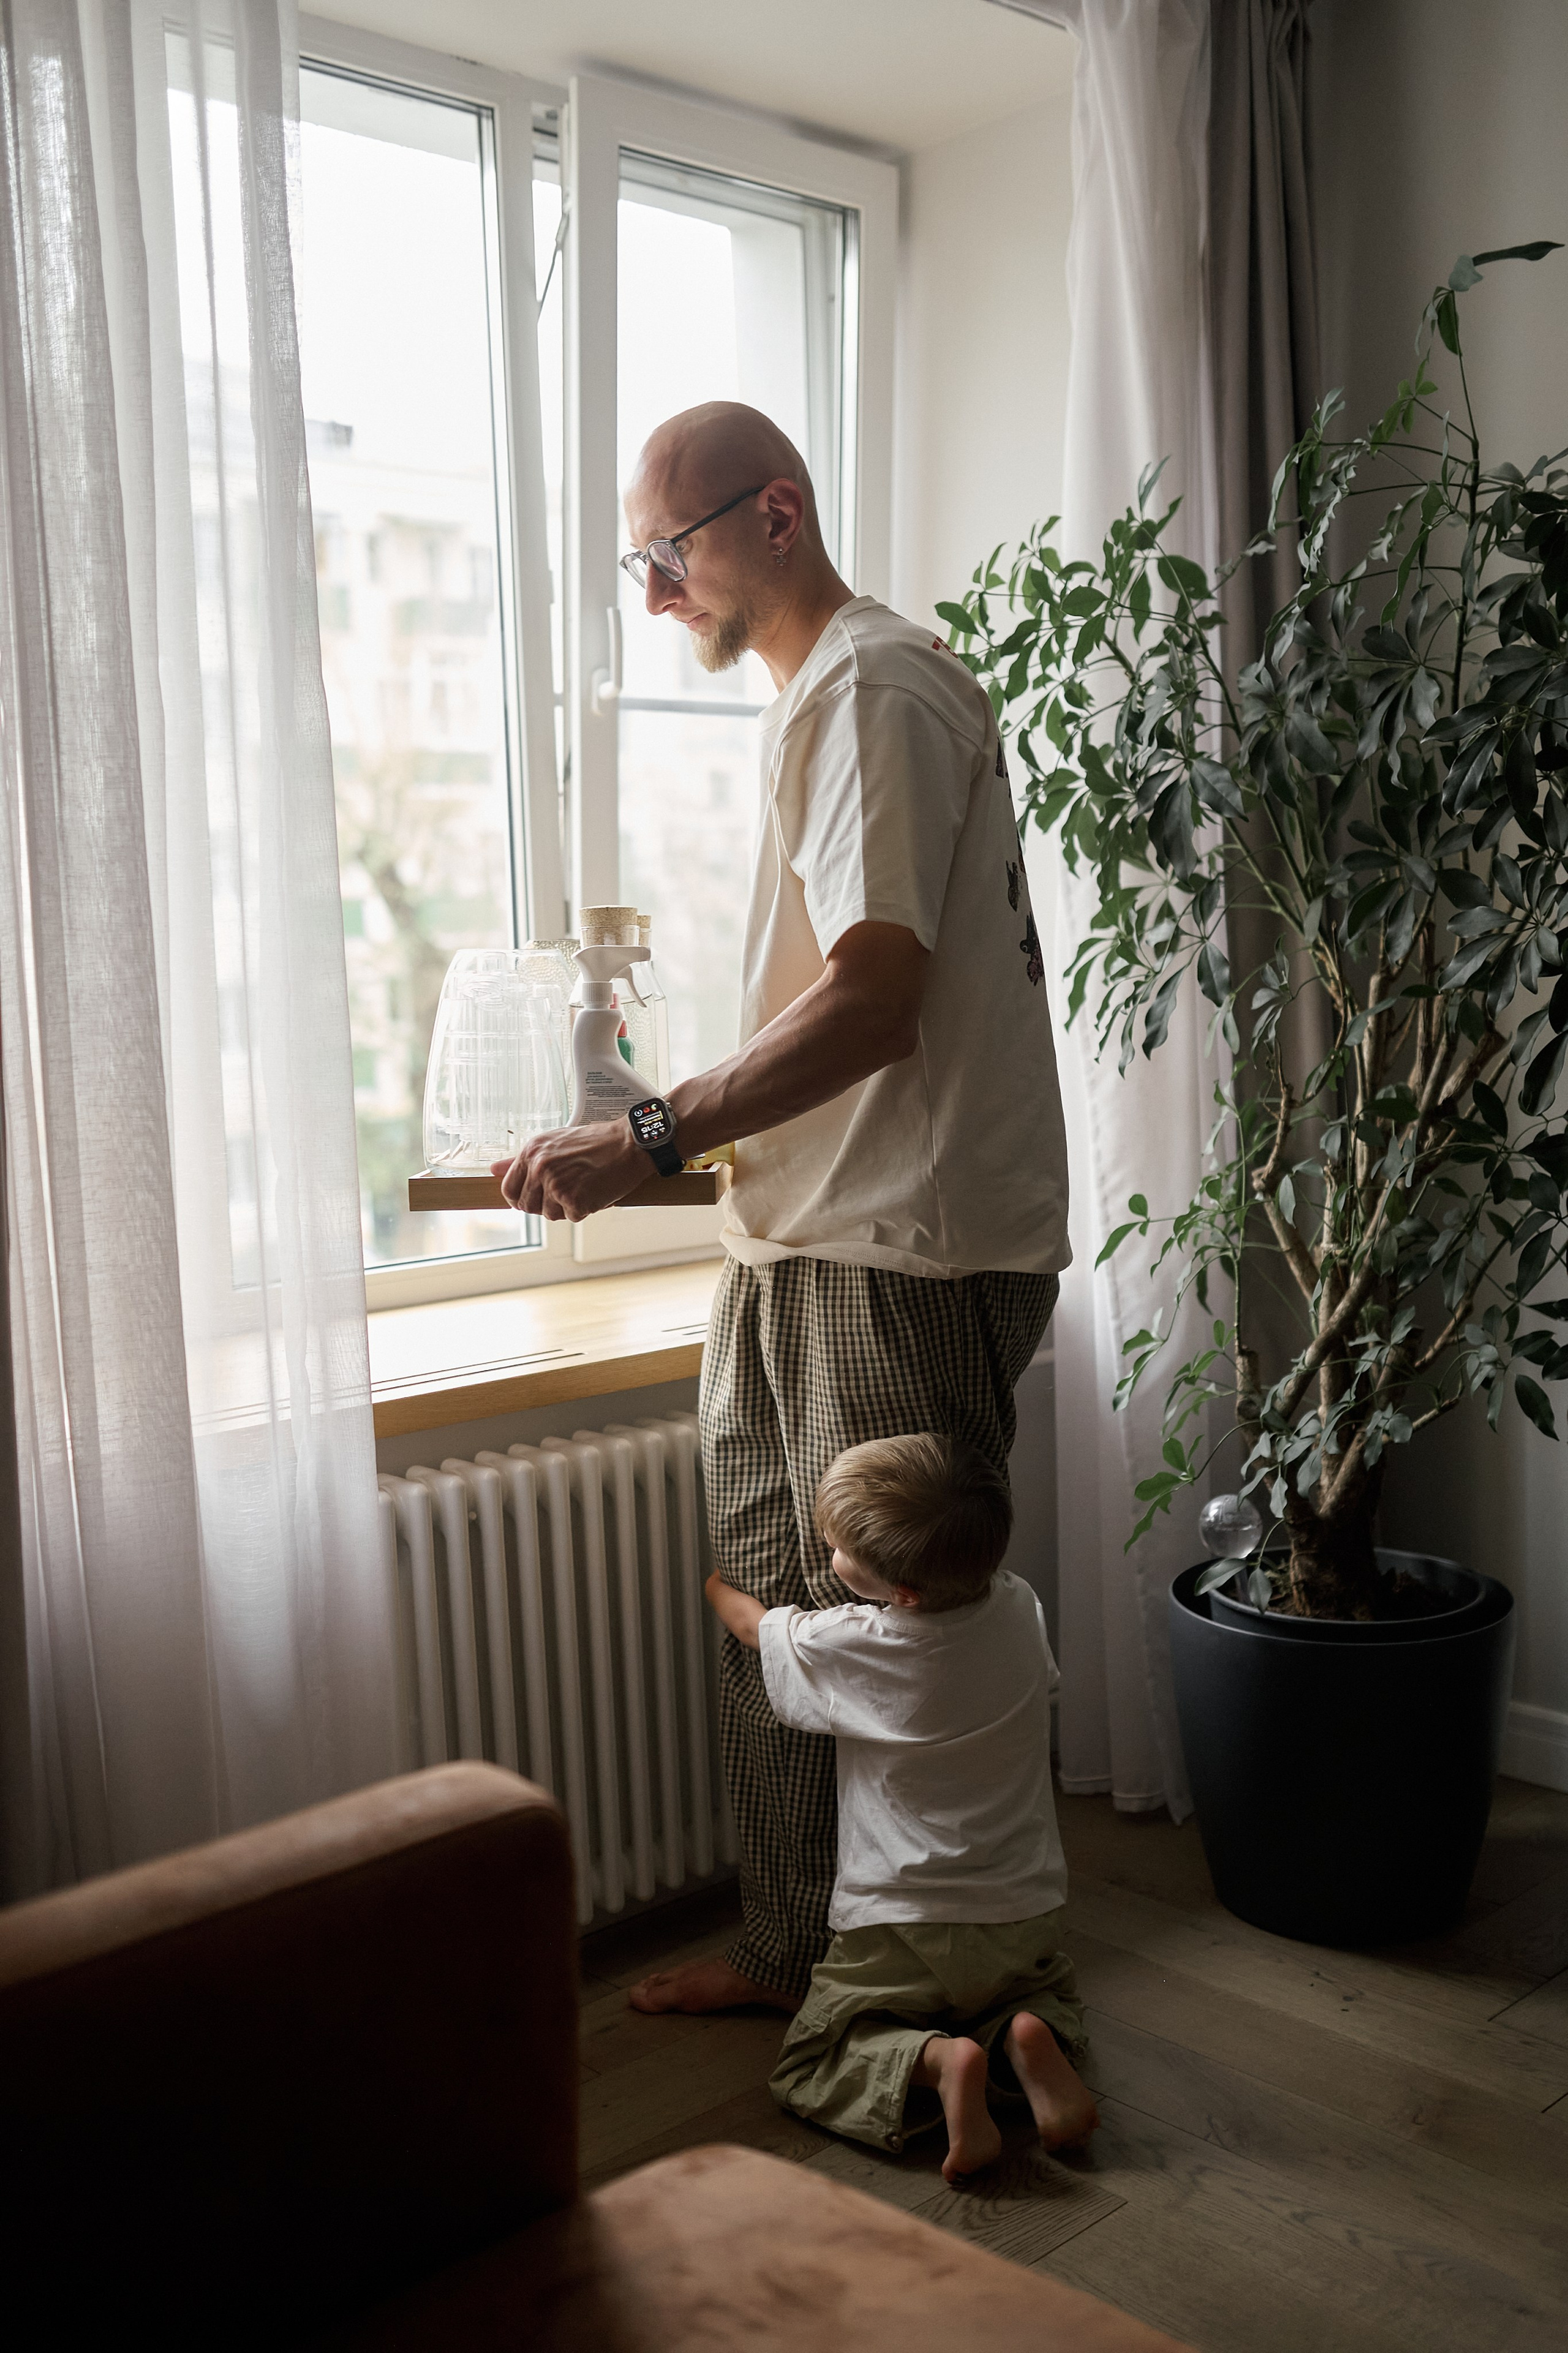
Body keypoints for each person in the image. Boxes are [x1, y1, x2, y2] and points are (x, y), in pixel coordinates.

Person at [495, 401, 1070, 2016]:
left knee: (889, 1629)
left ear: (779, 515)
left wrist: (652, 1135)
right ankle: (798, 1950)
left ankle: (940, 2012)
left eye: (668, 552)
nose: (656, 592)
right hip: (807, 1233)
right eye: (641, 564)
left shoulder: (873, 688)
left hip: (895, 1243)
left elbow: (875, 1004)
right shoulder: (830, 697)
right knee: (787, 1602)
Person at [705, 1432, 1096, 2183]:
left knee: (812, 2057)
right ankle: (1026, 2040)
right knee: (1040, 1987)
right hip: (1019, 1905)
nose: (828, 1554)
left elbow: (756, 1629)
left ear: (903, 1593)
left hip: (899, 1918)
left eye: (837, 1549)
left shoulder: (855, 1638)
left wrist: (718, 1582)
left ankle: (936, 2062)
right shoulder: (1019, 1607)